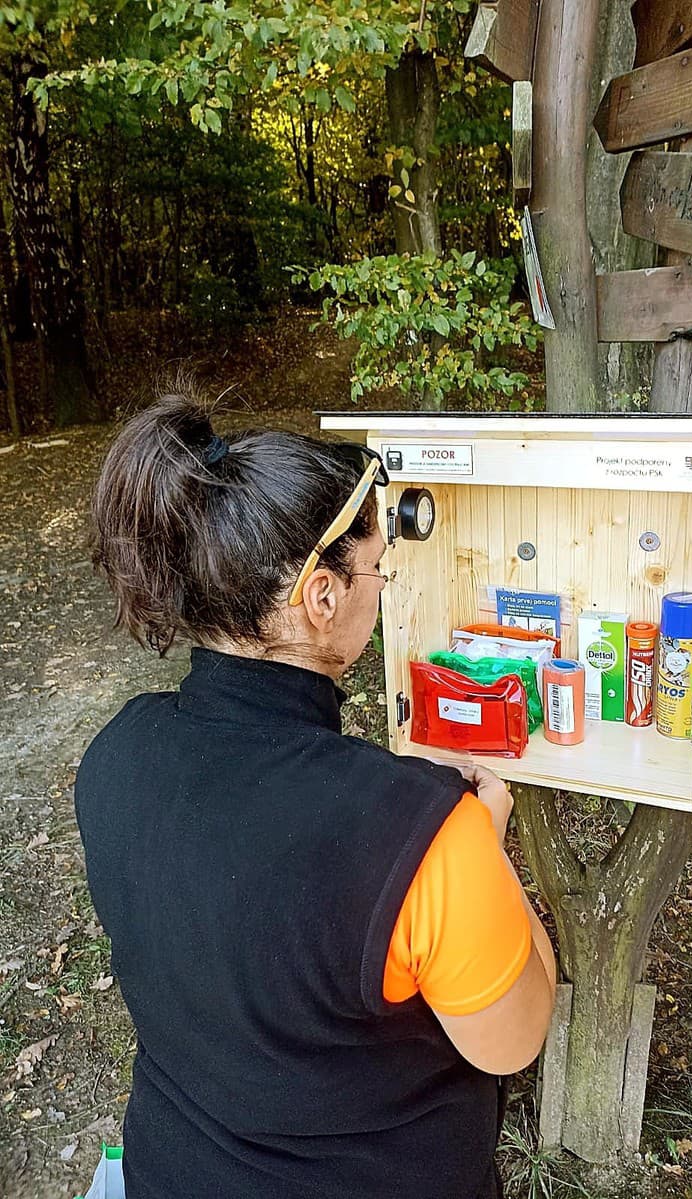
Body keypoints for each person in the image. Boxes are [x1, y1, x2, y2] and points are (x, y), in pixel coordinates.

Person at [75, 391, 556, 1199]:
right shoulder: (425, 836)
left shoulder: (115, 755)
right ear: (321, 597)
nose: (383, 587)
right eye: (377, 569)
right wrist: (490, 845)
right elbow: (514, 1039)